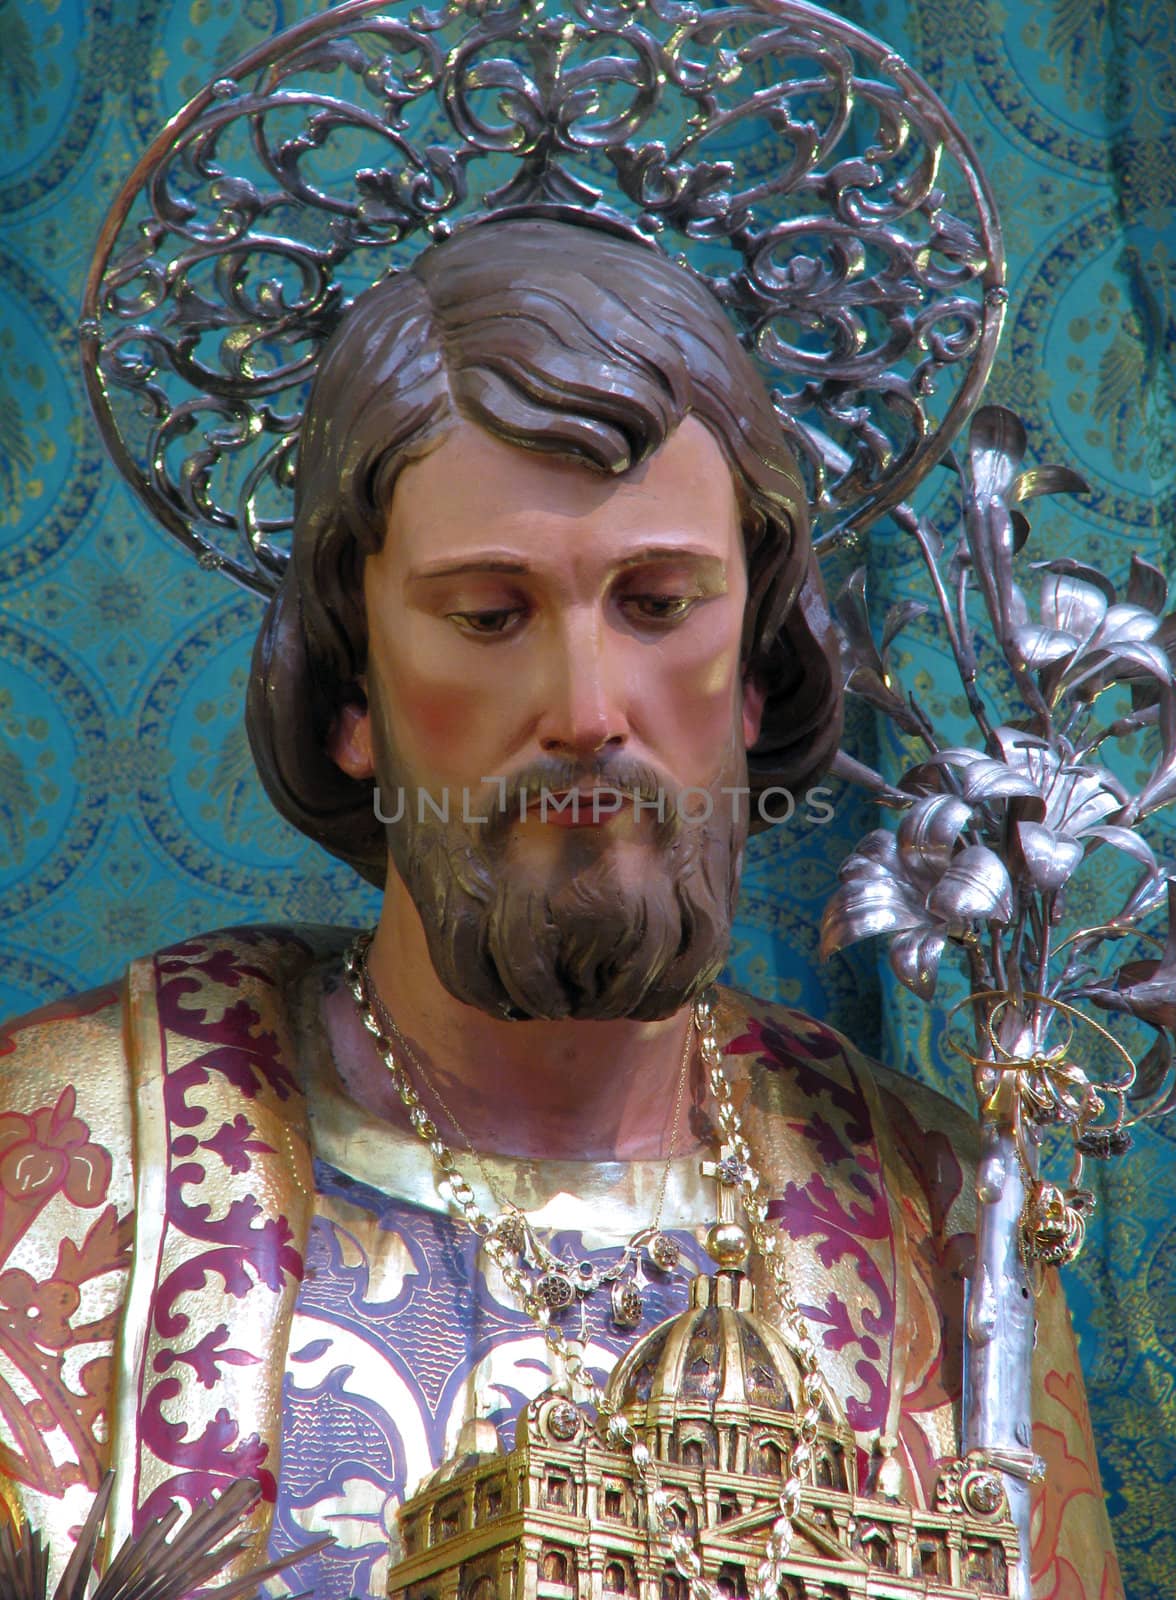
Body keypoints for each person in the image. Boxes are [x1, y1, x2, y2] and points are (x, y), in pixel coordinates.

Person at [0, 220, 1118, 1599]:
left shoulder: (943, 1218)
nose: (588, 712)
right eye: (486, 615)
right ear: (352, 693)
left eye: (658, 605)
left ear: (757, 673)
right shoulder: (52, 1172)